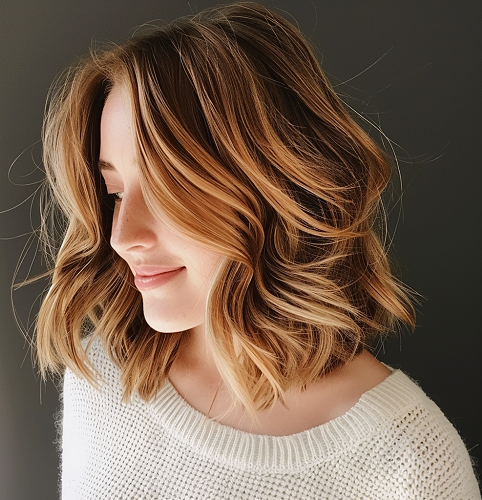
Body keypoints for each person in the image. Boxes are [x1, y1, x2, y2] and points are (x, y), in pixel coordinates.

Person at [33, 2, 480, 498]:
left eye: (165, 189)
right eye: (115, 193)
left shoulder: (410, 461)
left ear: (274, 188)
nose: (122, 236)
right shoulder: (102, 379)